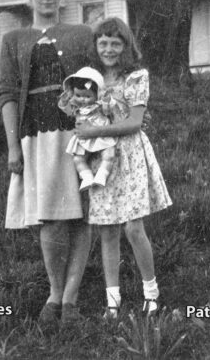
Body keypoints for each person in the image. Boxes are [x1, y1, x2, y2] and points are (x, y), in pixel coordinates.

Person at [0, 0, 98, 327]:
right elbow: (7, 93)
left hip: (79, 133)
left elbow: (97, 84)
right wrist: (12, 148)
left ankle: (70, 300)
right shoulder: (13, 39)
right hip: (36, 136)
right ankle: (54, 293)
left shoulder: (82, 33)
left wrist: (93, 131)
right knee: (51, 218)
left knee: (83, 215)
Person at [73, 17, 173, 318]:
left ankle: (151, 294)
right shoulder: (90, 78)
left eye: (116, 43)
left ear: (126, 45)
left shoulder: (135, 76)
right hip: (101, 157)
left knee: (133, 226)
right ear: (95, 46)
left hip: (129, 155)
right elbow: (77, 111)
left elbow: (134, 121)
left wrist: (91, 131)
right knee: (107, 230)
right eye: (102, 42)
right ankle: (112, 302)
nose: (109, 49)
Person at [58, 67, 129, 191]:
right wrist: (65, 101)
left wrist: (106, 100)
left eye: (87, 96)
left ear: (97, 95)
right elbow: (68, 111)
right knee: (78, 159)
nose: (82, 99)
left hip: (101, 134)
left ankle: (102, 174)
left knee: (109, 155)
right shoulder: (77, 108)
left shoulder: (98, 106)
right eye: (78, 95)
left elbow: (109, 109)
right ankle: (87, 177)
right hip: (85, 138)